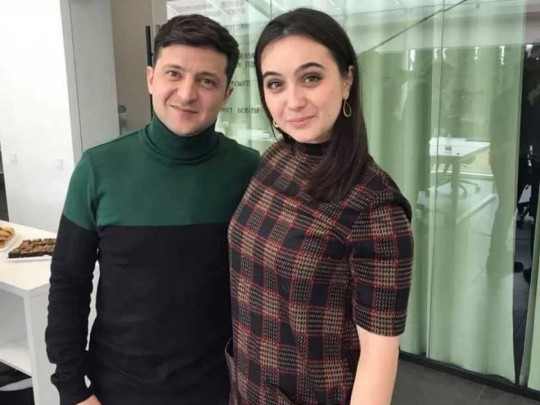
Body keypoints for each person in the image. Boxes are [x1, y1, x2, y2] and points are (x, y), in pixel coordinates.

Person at [45, 14, 259, 405]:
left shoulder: (249, 171)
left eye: (207, 81)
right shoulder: (98, 168)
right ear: (150, 79)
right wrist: (72, 389)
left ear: (227, 93)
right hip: (118, 387)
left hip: (220, 387)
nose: (187, 93)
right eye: (173, 74)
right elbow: (68, 283)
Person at [226, 8, 414, 405]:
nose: (293, 101)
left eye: (311, 78)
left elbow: (379, 357)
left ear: (347, 80)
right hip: (246, 387)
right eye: (275, 84)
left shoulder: (375, 209)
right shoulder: (275, 159)